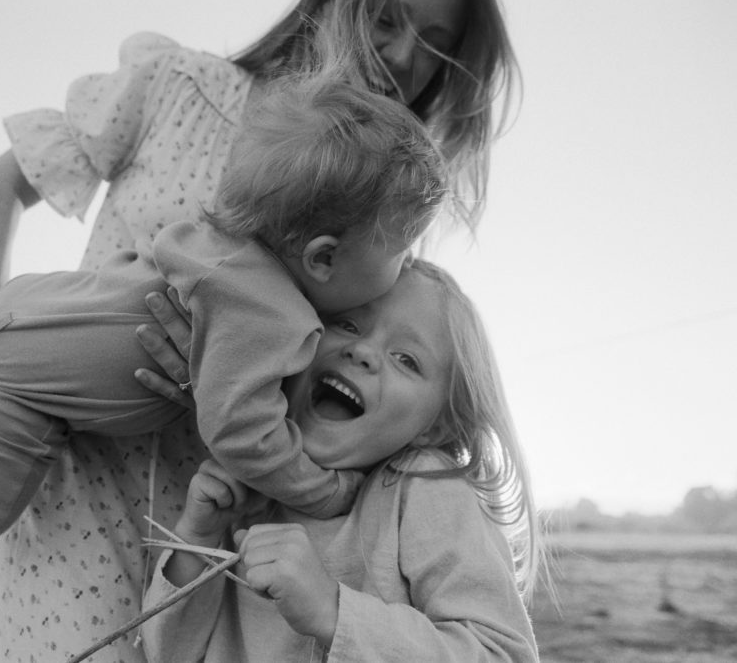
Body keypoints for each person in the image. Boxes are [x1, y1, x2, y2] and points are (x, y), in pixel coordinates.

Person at [0, 0, 516, 659]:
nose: (405, 54)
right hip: (65, 495)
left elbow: (340, 389)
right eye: (386, 19)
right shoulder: (177, 86)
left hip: (212, 543)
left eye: (438, 48)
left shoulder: (386, 214)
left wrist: (229, 370)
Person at [0, 71, 446, 545]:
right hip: (24, 392)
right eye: (402, 250)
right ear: (323, 259)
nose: (406, 266)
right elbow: (240, 429)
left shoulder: (213, 243)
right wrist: (322, 492)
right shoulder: (269, 315)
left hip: (33, 303)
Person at [140, 261, 541, 662]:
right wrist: (197, 540)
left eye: (407, 359)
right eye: (347, 325)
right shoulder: (246, 490)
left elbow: (502, 654)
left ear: (434, 428)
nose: (363, 351)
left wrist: (334, 612)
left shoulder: (424, 484)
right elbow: (165, 655)